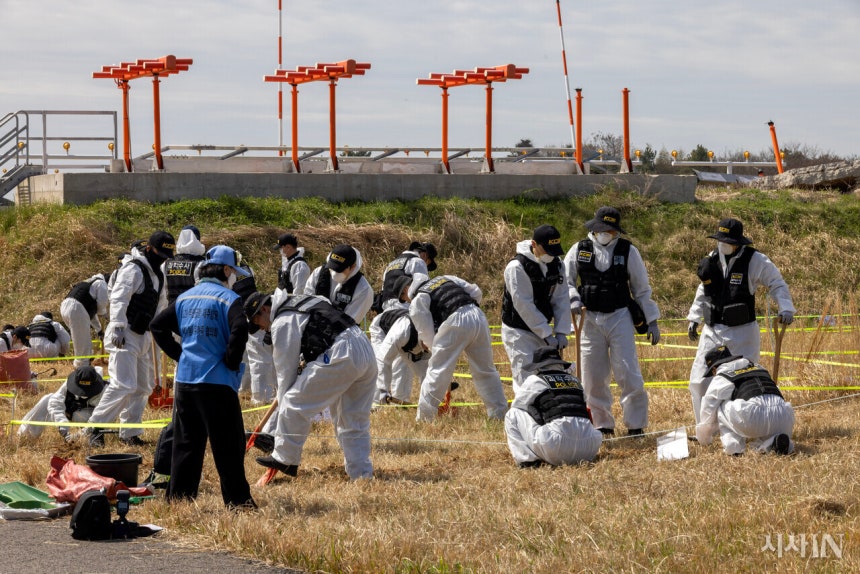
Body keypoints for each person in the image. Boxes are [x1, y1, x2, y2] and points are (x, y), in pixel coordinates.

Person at [150, 245, 256, 508]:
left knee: (186, 443)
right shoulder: (228, 299)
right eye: (234, 272)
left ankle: (179, 499)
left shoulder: (185, 298)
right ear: (227, 270)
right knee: (228, 446)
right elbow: (240, 328)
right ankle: (238, 502)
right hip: (217, 383)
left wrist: (181, 353)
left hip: (186, 381)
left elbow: (157, 326)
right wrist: (231, 361)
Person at [246, 291, 377, 480]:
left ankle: (285, 458)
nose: (263, 329)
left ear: (264, 310)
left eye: (258, 323)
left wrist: (275, 432)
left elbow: (286, 377)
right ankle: (362, 475)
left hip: (341, 354)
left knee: (293, 403)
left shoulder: (282, 322)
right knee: (352, 420)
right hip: (363, 346)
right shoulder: (305, 299)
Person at [563, 206, 661, 436]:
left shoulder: (628, 251)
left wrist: (652, 320)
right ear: (595, 228)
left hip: (620, 316)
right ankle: (602, 425)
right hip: (589, 319)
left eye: (611, 230)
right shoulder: (579, 249)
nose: (607, 233)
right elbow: (565, 281)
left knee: (628, 371)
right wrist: (573, 299)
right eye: (603, 229)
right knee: (592, 375)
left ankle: (636, 425)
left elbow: (642, 289)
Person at [686, 218, 795, 424]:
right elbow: (704, 290)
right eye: (721, 240)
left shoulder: (756, 261)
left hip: (742, 332)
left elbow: (777, 284)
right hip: (713, 330)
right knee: (699, 380)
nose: (723, 245)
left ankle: (743, 424)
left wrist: (786, 307)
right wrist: (694, 318)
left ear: (739, 242)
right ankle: (705, 428)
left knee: (744, 381)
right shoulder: (711, 259)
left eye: (728, 241)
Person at [86, 230, 174, 447]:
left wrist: (159, 329)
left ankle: (129, 432)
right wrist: (116, 326)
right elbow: (118, 297)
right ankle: (94, 428)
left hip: (144, 336)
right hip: (124, 335)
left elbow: (160, 305)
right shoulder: (133, 268)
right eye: (160, 254)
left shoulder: (159, 273)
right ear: (149, 249)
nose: (162, 259)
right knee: (123, 384)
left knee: (143, 387)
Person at [406, 273, 508, 422]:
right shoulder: (446, 278)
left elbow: (427, 335)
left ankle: (424, 418)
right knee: (486, 370)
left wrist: (435, 349)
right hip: (477, 315)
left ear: (412, 292)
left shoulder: (418, 299)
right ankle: (499, 414)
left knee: (438, 371)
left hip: (454, 321)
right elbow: (476, 292)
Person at [501, 224, 571, 394]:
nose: (551, 255)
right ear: (534, 244)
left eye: (554, 250)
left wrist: (561, 330)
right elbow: (524, 305)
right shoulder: (517, 267)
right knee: (526, 379)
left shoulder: (558, 265)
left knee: (552, 376)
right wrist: (546, 333)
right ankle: (524, 418)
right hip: (519, 331)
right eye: (547, 250)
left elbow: (561, 298)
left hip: (543, 331)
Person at [505, 346, 602, 467]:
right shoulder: (575, 381)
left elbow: (519, 406)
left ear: (538, 367)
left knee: (512, 414)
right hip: (589, 447)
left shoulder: (535, 380)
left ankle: (528, 461)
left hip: (556, 446)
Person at [695, 345, 794, 456]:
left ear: (714, 369)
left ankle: (734, 449)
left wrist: (703, 439)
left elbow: (708, 410)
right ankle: (774, 443)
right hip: (784, 417)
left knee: (720, 406)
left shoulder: (723, 376)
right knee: (766, 433)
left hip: (752, 418)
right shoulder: (758, 367)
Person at [370, 275, 430, 405]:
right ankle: (376, 402)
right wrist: (383, 390)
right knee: (382, 363)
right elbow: (382, 359)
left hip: (412, 339)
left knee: (420, 370)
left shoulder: (429, 323)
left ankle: (399, 404)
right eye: (402, 296)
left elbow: (428, 370)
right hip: (381, 328)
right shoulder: (403, 330)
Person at [18, 366, 106, 441]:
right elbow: (55, 402)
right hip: (69, 409)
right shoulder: (72, 381)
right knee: (47, 399)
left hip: (88, 416)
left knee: (81, 417)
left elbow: (98, 418)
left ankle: (88, 440)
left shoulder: (105, 391)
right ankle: (25, 435)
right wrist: (62, 424)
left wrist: (78, 436)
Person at [304, 244, 373, 324]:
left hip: (340, 333)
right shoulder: (318, 273)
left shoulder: (363, 289)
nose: (334, 273)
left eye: (339, 270)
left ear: (352, 267)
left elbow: (347, 322)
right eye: (332, 268)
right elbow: (307, 300)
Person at [60, 274, 110, 368]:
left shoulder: (90, 282)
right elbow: (101, 306)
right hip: (76, 309)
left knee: (83, 339)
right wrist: (105, 314)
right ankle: (82, 368)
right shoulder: (102, 283)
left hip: (65, 307)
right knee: (82, 343)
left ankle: (86, 361)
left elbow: (90, 314)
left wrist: (99, 330)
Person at [376, 241, 437, 313]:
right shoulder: (418, 261)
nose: (426, 266)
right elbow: (424, 289)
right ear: (425, 255)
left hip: (386, 309)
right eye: (427, 263)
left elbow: (384, 288)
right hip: (405, 307)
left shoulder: (391, 264)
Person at [162, 225, 206, 305]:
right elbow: (202, 291)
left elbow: (163, 291)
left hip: (171, 309)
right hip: (191, 309)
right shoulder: (201, 263)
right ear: (197, 240)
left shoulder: (166, 263)